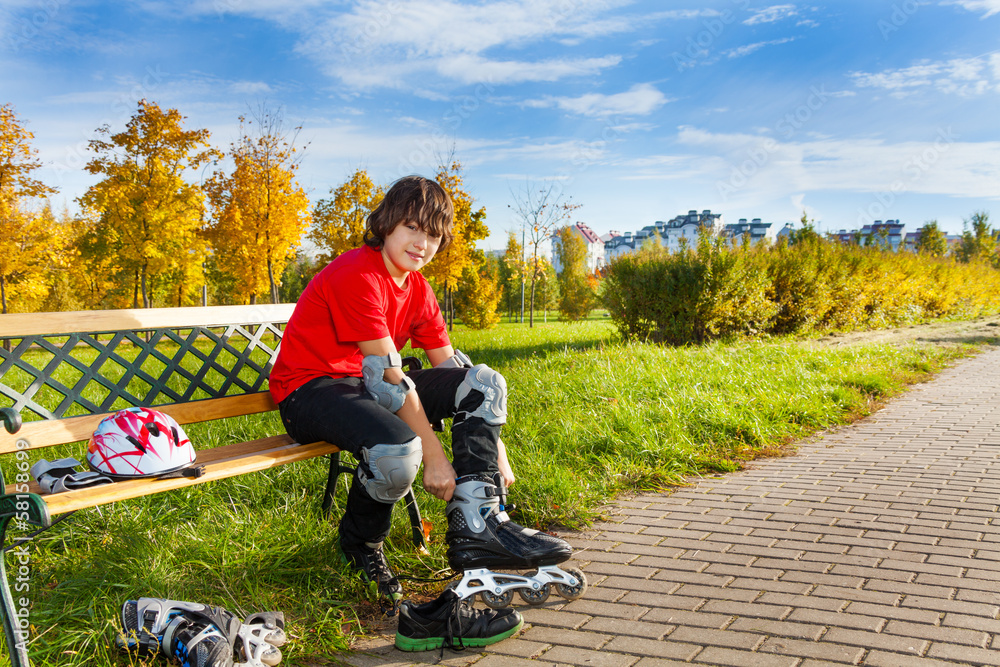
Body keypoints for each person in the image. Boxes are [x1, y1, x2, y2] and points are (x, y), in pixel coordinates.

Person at [269, 175, 538, 650]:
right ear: (387, 224)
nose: (422, 243)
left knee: (485, 382)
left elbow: (452, 371)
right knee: (399, 452)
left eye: (433, 234)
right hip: (309, 389)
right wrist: (434, 457)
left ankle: (479, 524)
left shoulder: (417, 287)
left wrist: (498, 456)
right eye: (413, 228)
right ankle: (361, 548)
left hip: (362, 386)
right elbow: (392, 378)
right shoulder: (358, 274)